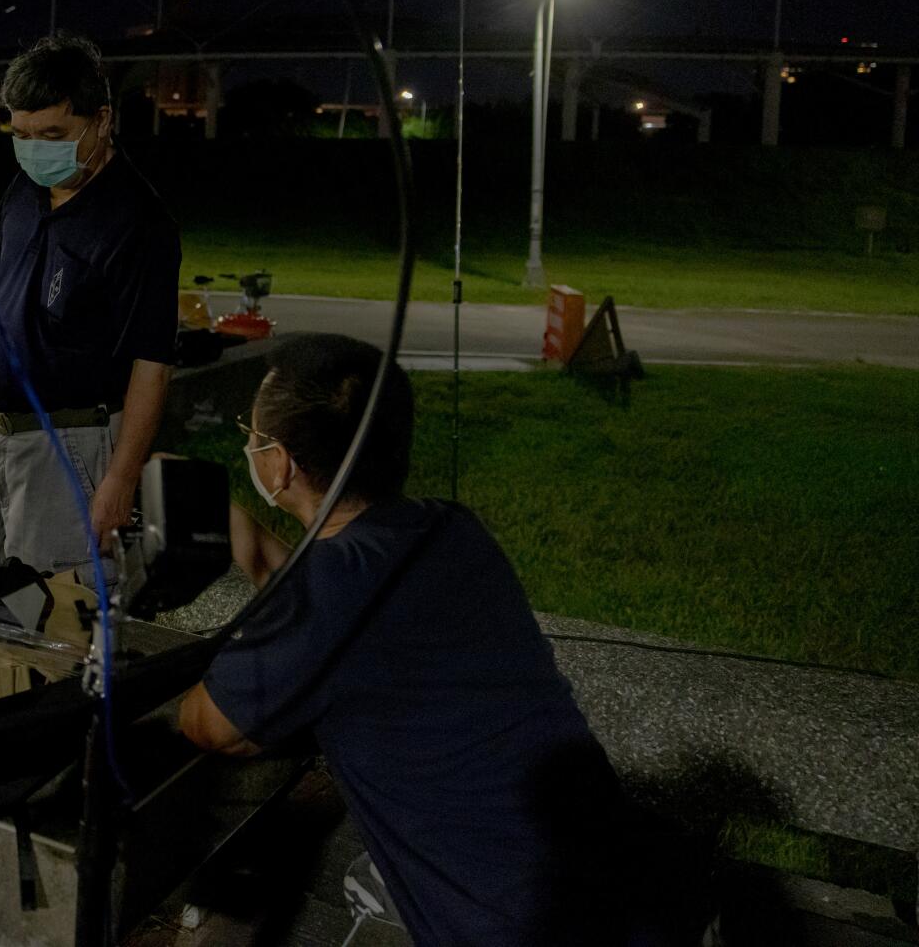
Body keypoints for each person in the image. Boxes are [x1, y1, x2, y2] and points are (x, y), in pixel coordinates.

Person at [179, 334, 706, 946]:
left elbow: (210, 724)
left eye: (254, 430)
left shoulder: (330, 594)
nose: (249, 442)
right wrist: (246, 535)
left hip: (514, 926)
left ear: (280, 462)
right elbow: (331, 605)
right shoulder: (450, 530)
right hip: (620, 886)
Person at [0, 35, 180, 574]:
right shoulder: (23, 192)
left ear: (102, 119)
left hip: (69, 448)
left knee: (51, 616)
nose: (34, 150)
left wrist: (120, 480)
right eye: (22, 134)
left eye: (52, 135)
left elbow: (153, 364)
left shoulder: (138, 223)